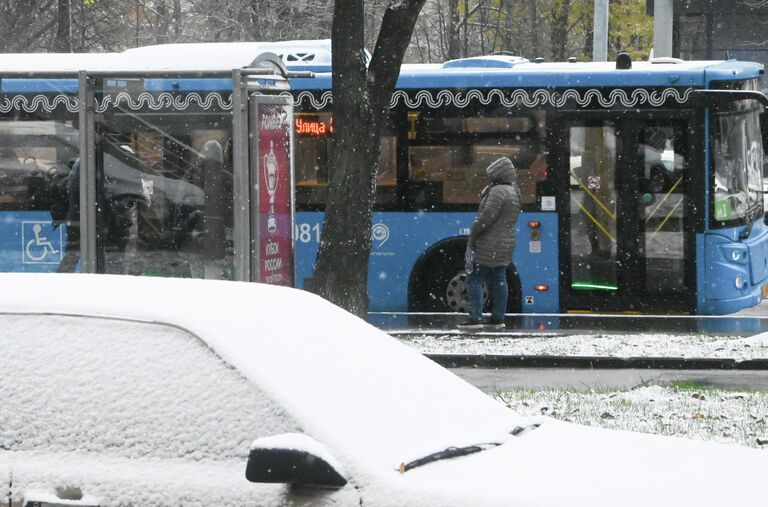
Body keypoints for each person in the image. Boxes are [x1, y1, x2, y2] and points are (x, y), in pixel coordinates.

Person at [459, 156, 521, 330]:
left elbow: (487, 217)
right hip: (506, 243)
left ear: (498, 174)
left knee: (474, 278)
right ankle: (498, 317)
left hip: (489, 242)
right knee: (499, 278)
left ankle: (475, 317)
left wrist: (474, 230)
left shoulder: (498, 191)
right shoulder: (514, 190)